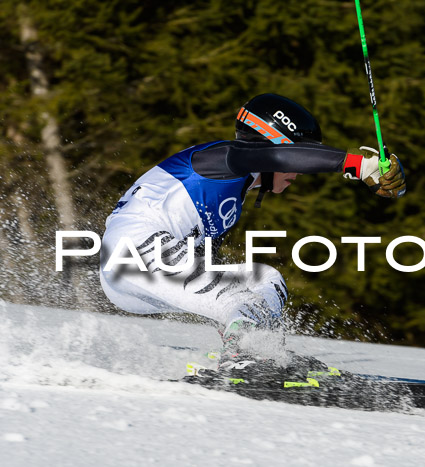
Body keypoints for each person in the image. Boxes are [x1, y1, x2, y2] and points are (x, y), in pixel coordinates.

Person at [99, 93, 406, 363]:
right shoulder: (221, 158)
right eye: (299, 160)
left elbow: (204, 261)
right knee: (239, 299)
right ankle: (242, 358)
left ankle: (256, 350)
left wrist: (233, 319)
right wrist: (359, 165)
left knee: (266, 280)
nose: (299, 172)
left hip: (136, 278)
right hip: (136, 250)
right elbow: (277, 155)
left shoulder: (233, 190)